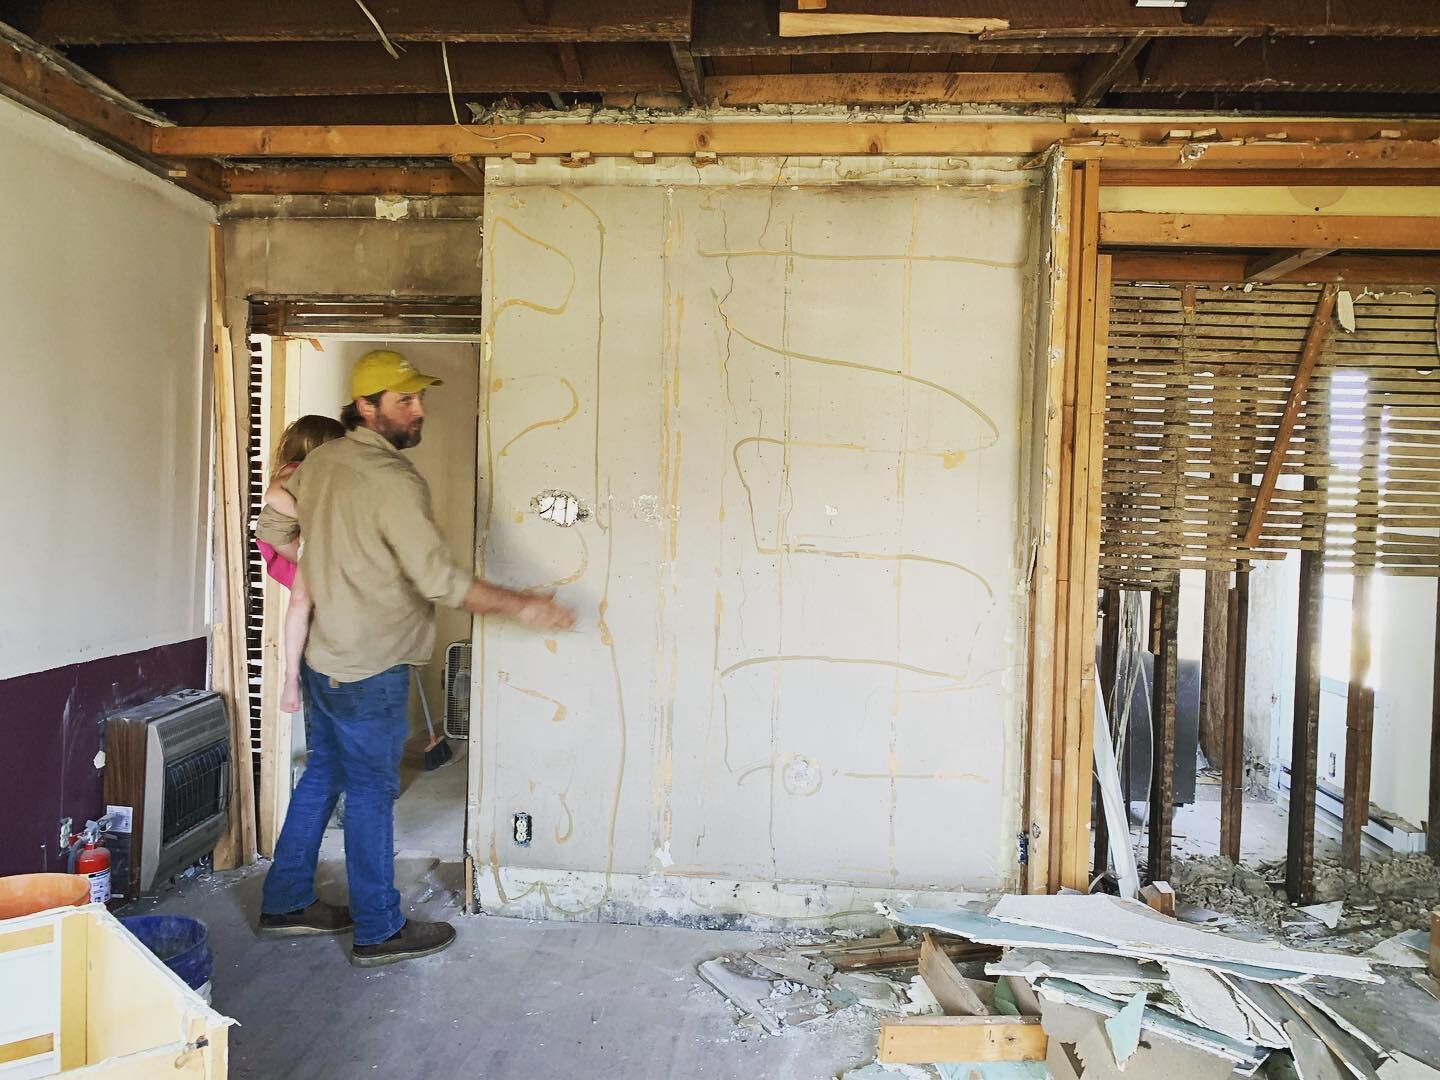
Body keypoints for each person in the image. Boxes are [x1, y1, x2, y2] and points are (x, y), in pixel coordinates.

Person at [254, 349, 575, 967]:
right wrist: (524, 607)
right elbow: (440, 582)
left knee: (324, 773)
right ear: (367, 406)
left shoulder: (320, 465)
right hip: (370, 665)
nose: (418, 409)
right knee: (373, 792)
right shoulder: (393, 481)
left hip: (325, 662)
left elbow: (273, 527)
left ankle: (286, 901)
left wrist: (322, 563)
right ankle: (378, 929)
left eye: (418, 397)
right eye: (405, 400)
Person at [253, 415, 346, 714]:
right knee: (303, 597)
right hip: (282, 536)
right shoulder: (296, 470)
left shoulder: (317, 475)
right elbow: (272, 494)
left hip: (288, 537)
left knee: (318, 593)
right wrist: (309, 516)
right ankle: (291, 679)